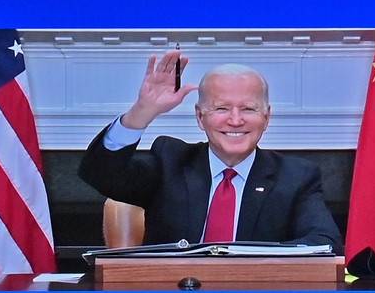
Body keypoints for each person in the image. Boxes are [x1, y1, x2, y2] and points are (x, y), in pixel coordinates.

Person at [79, 51, 343, 253]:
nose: (235, 120)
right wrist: (141, 113)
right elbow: (100, 175)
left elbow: (324, 243)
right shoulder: (170, 160)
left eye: (248, 109)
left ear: (267, 117)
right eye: (221, 108)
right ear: (200, 117)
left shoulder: (296, 177)